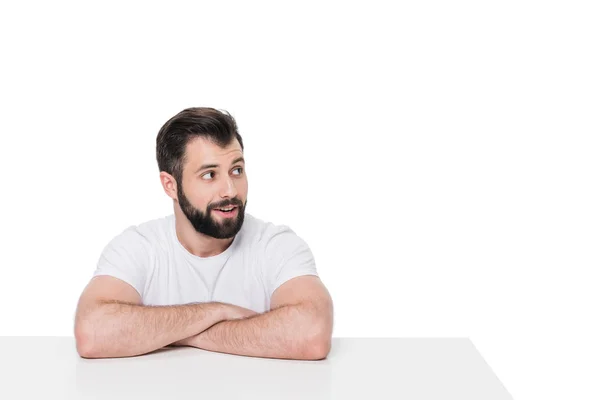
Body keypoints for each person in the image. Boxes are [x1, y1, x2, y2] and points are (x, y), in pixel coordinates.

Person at [74, 107, 333, 360]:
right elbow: (92, 333)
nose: (229, 190)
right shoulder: (138, 247)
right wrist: (218, 311)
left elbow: (312, 334)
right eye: (210, 175)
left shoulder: (276, 245)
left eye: (236, 170)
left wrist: (178, 334)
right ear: (170, 185)